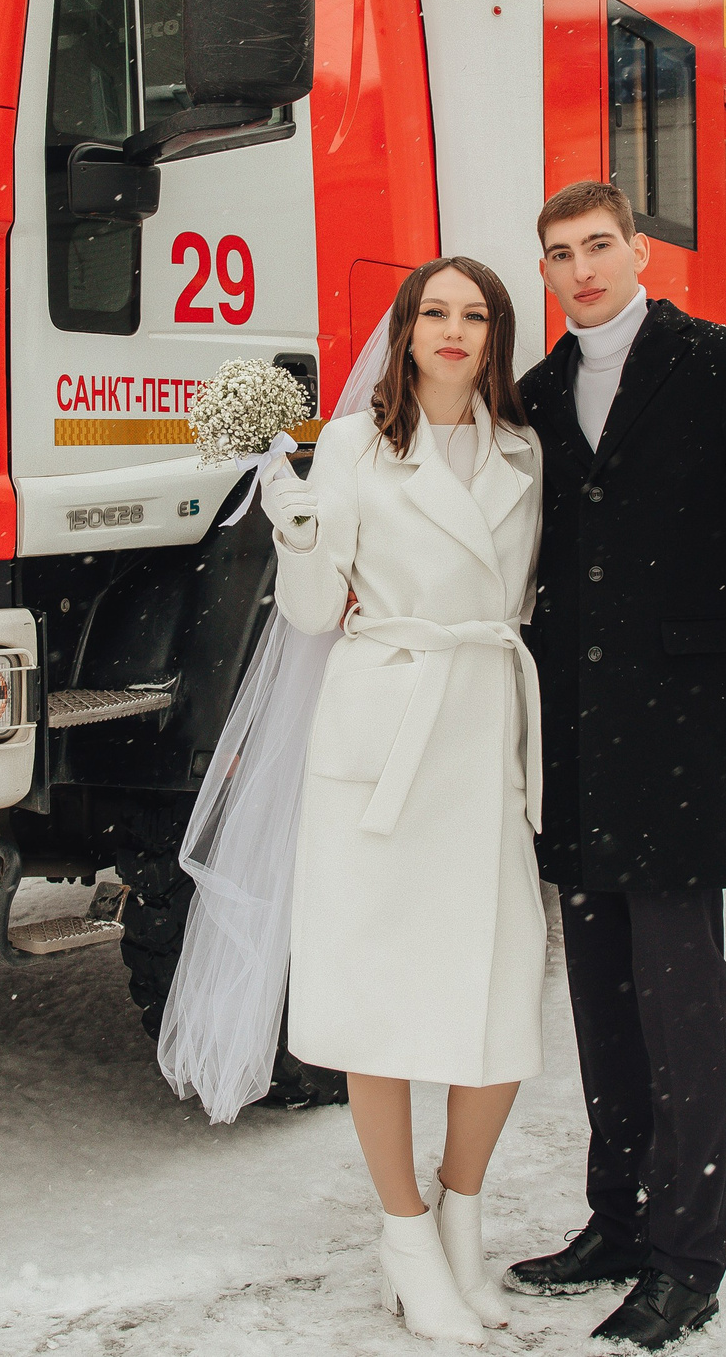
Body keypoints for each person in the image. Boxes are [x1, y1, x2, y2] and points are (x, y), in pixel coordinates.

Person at [508, 180, 726, 1349]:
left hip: (682, 734)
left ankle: (688, 1259)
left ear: (639, 251)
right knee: (602, 1003)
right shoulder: (538, 396)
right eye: (559, 255)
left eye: (598, 246)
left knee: (680, 1001)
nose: (581, 269)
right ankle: (617, 1221)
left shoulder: (725, 364)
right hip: (580, 736)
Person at [253, 256, 549, 1345]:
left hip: (483, 728)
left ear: (495, 336)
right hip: (384, 731)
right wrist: (296, 525)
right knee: (378, 1001)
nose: (454, 331)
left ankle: (462, 1216)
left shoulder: (521, 447)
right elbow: (308, 615)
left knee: (500, 997)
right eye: (436, 312)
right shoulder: (350, 445)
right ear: (406, 329)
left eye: (475, 316)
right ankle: (404, 1232)